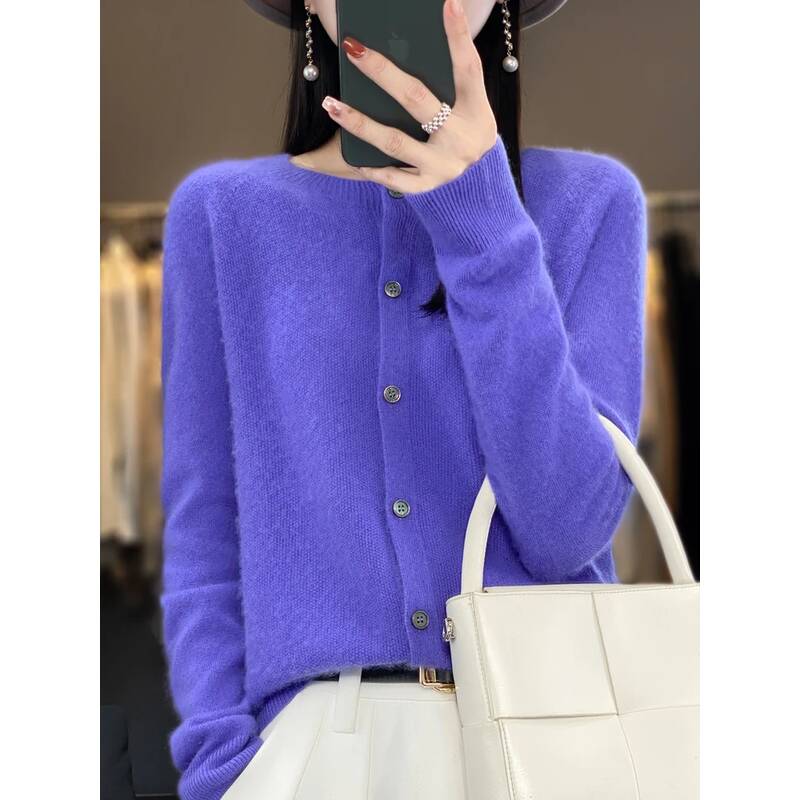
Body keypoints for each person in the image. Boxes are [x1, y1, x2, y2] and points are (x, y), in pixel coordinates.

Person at [158, 0, 647, 798]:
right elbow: (204, 527)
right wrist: (222, 771)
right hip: (317, 754)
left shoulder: (591, 204)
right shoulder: (222, 216)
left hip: (553, 742)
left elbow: (568, 529)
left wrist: (482, 217)